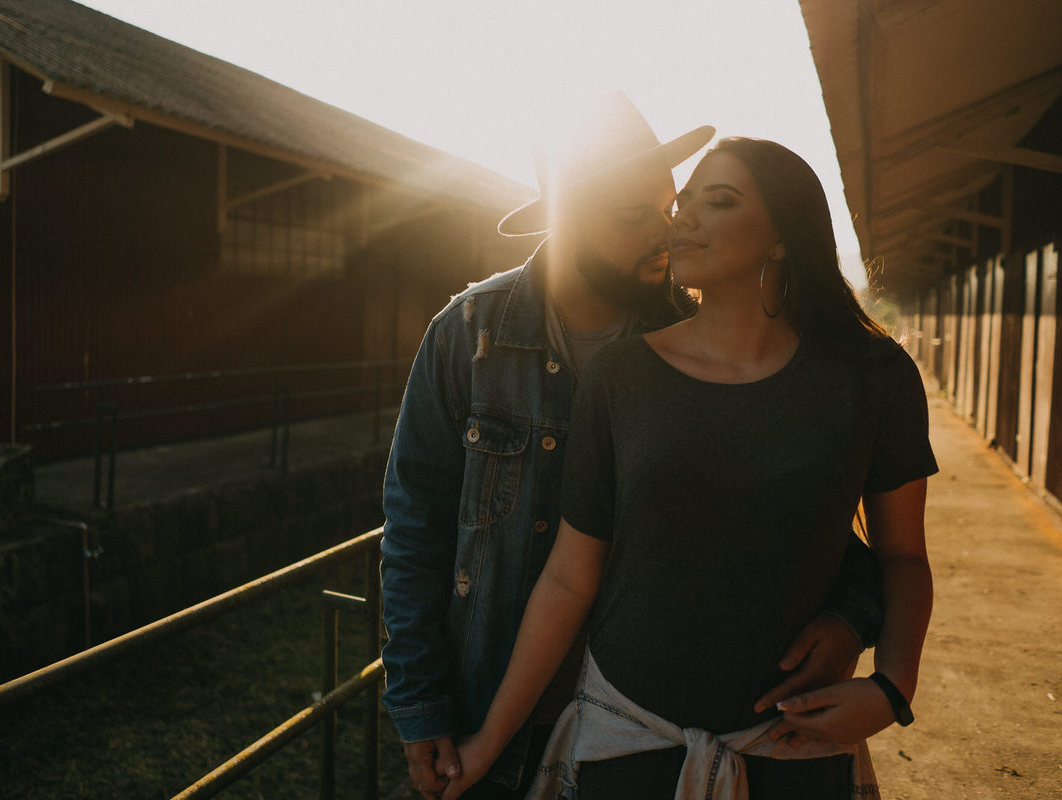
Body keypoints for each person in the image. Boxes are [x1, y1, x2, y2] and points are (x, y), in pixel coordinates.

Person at [381, 96, 888, 800]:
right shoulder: (467, 336)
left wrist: (850, 616)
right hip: (492, 715)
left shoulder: (701, 341)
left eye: (667, 206)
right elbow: (414, 529)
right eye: (632, 218)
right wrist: (419, 706)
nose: (665, 231)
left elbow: (810, 517)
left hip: (641, 733)